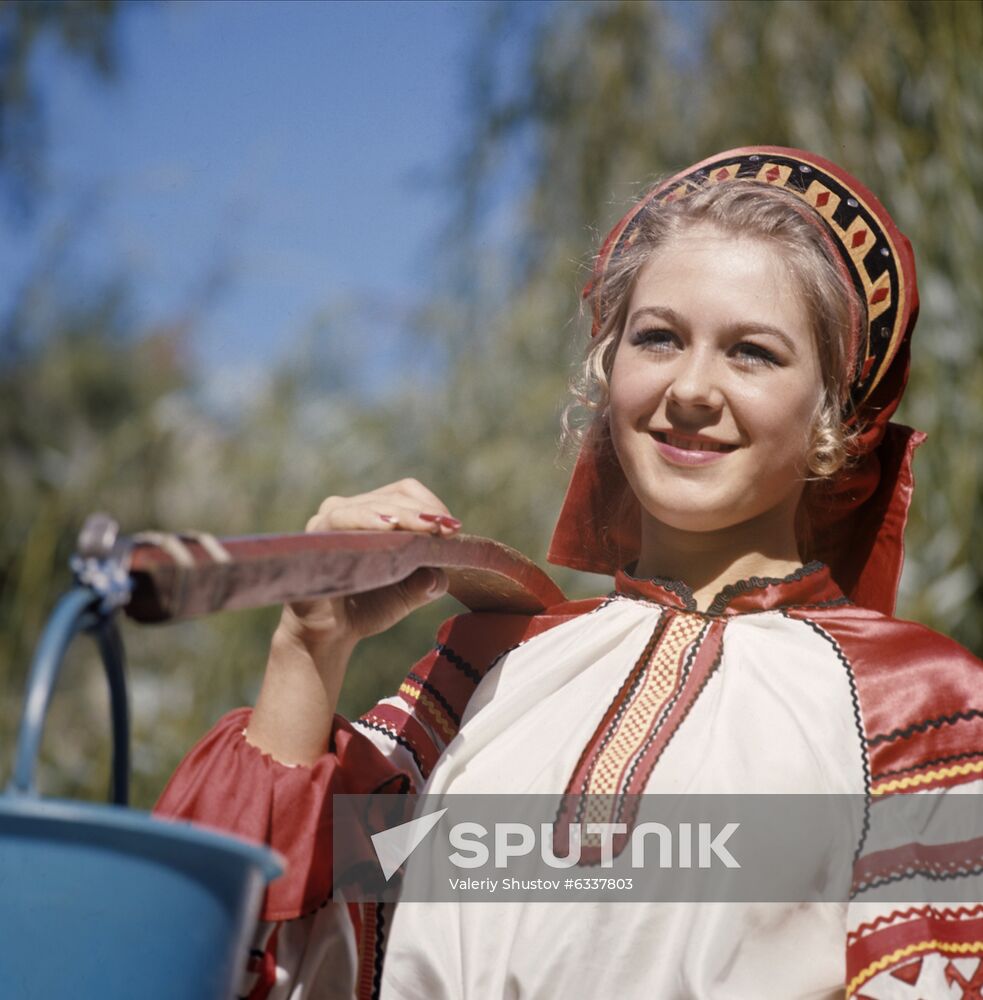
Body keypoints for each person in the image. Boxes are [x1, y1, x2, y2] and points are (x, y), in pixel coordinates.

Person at [156, 147, 983, 999]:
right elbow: (263, 943)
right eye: (658, 338)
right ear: (606, 370)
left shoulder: (919, 708)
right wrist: (307, 643)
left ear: (833, 414)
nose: (691, 387)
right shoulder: (488, 670)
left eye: (752, 354)